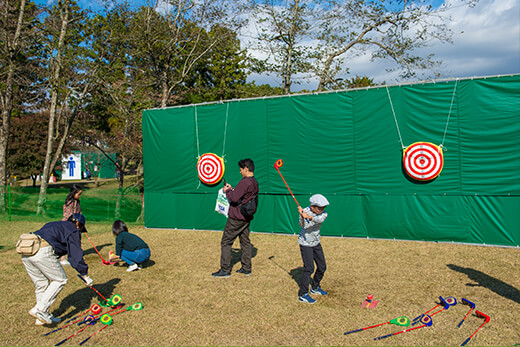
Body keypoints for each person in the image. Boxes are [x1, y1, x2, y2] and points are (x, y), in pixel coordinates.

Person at [21, 213, 93, 325]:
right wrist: (85, 275)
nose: (80, 231)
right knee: (60, 279)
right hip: (42, 251)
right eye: (81, 228)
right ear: (78, 223)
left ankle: (42, 317)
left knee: (41, 284)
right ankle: (39, 309)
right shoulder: (73, 229)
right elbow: (75, 255)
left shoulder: (54, 224)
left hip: (26, 252)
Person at [212, 158, 259, 278]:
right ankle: (246, 268)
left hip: (237, 217)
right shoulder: (254, 182)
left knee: (226, 242)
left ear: (246, 169)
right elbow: (241, 196)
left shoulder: (245, 182)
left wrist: (227, 191)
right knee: (245, 242)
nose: (240, 172)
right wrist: (232, 190)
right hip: (246, 218)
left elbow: (233, 198)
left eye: (241, 169)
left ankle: (225, 270)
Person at [297, 194, 329, 304]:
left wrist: (309, 217)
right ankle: (303, 294)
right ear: (312, 206)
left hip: (316, 242)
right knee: (309, 268)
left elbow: (319, 220)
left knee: (322, 266)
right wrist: (302, 216)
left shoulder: (323, 214)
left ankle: (315, 287)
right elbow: (303, 226)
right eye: (319, 208)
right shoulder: (305, 211)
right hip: (305, 243)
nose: (322, 210)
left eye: (323, 208)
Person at [61, 184, 83, 266]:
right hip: (68, 224)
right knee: (66, 241)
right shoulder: (70, 202)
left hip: (76, 223)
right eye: (79, 194)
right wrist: (75, 221)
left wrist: (80, 220)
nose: (79, 196)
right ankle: (63, 259)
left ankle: (76, 256)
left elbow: (79, 212)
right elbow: (69, 215)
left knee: (76, 240)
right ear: (73, 193)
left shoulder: (77, 202)